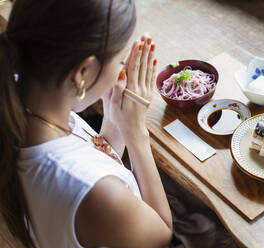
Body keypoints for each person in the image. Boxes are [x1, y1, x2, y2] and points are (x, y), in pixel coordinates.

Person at [0, 0, 173, 247]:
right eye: (120, 59)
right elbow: (162, 234)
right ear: (83, 73)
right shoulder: (99, 193)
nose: (120, 70)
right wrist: (136, 133)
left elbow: (91, 156)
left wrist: (115, 120)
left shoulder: (22, 98)